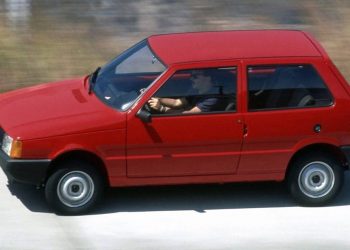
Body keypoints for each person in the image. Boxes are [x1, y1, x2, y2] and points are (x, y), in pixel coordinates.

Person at [148, 69, 224, 114]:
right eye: (191, 76)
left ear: (209, 78)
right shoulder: (196, 91)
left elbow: (187, 114)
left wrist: (162, 108)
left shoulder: (213, 99)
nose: (191, 79)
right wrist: (158, 99)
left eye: (195, 76)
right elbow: (176, 103)